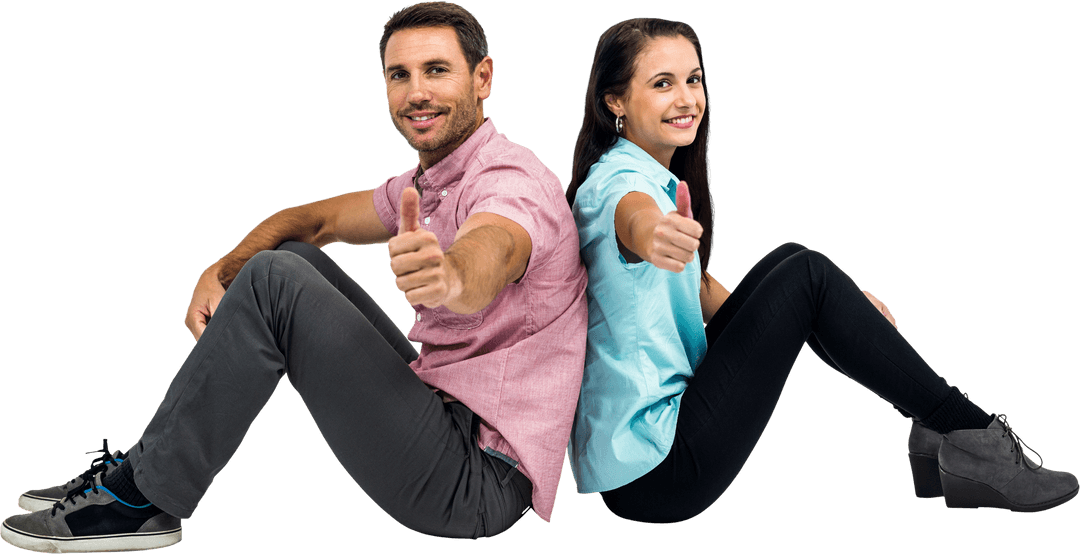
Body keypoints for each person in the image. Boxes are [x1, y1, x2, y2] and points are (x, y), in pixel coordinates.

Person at [1, 2, 587, 551]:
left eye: (436, 70)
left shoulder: (511, 181)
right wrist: (220, 270)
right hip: (444, 417)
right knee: (294, 258)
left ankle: (139, 497)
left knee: (275, 280)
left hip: (477, 479)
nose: (416, 92)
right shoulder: (431, 181)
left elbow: (496, 248)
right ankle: (141, 472)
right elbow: (314, 220)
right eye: (399, 75)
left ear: (482, 78)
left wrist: (451, 275)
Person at [565, 17, 1077, 524]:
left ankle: (935, 432)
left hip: (652, 453)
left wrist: (844, 314)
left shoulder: (650, 175)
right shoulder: (618, 185)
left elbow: (698, 292)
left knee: (792, 261)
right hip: (658, 471)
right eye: (662, 83)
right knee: (806, 275)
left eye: (693, 79)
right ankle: (970, 432)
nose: (686, 99)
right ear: (614, 101)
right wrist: (653, 233)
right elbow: (633, 218)